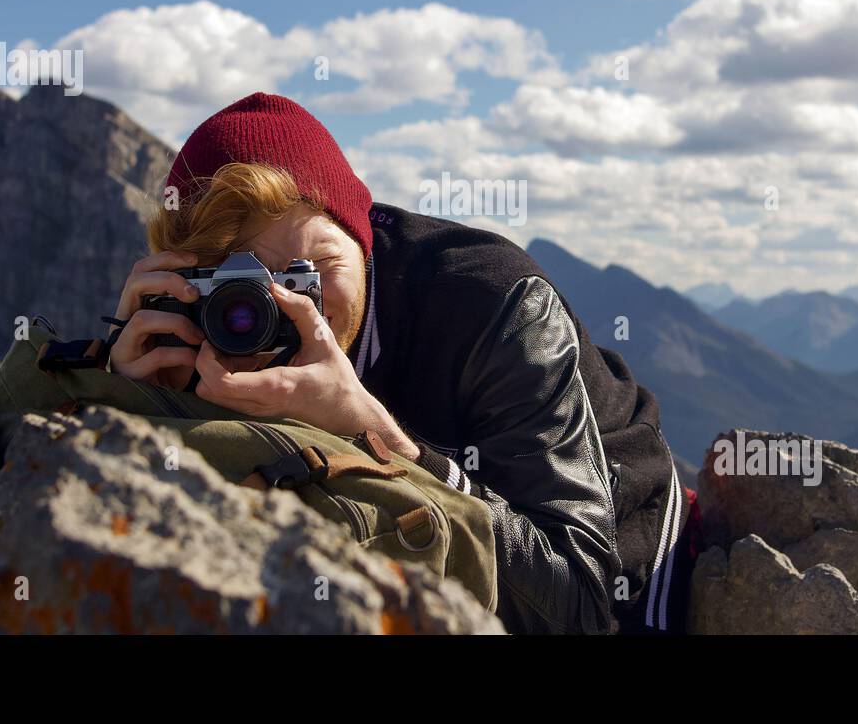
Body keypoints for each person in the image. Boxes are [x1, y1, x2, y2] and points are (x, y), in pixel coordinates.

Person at [106, 92, 697, 634]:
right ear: (192, 287)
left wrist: (372, 433)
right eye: (240, 290)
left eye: (309, 272)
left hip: (614, 551)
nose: (283, 308)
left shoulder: (494, 305)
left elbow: (576, 603)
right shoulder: (195, 345)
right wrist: (138, 403)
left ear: (363, 244)